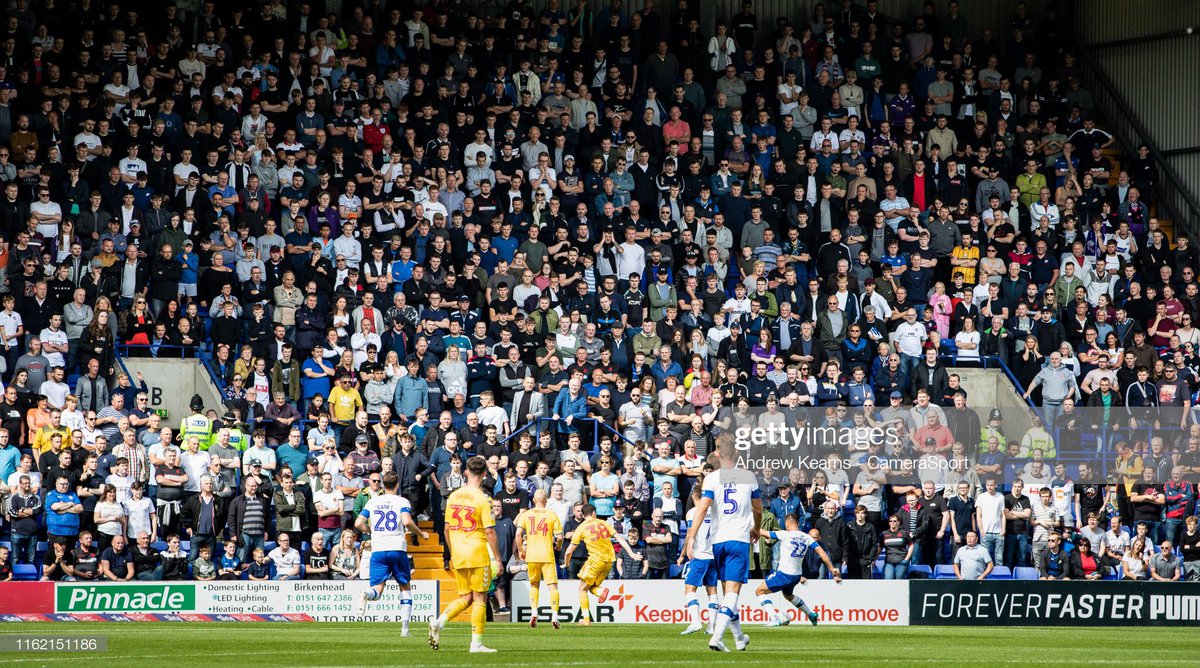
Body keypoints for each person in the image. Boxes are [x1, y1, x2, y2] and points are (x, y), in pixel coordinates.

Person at [683, 439, 761, 652]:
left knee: (727, 593)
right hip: (738, 539)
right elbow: (757, 509)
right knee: (733, 592)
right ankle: (717, 637)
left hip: (718, 542)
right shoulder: (748, 476)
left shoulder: (711, 478)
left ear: (717, 454)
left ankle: (739, 638)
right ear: (737, 452)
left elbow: (702, 508)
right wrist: (756, 528)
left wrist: (691, 537)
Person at [429, 455, 503, 653]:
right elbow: (489, 531)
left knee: (465, 597)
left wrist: (453, 552)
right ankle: (476, 643)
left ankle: (439, 622)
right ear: (485, 474)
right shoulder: (484, 499)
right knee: (480, 598)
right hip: (477, 552)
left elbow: (446, 529)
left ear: (466, 472)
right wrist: (498, 559)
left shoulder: (453, 496)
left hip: (459, 552)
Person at [355, 470, 429, 634]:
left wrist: (371, 531)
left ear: (382, 484)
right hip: (397, 548)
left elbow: (358, 523)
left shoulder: (373, 501)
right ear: (397, 484)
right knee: (405, 587)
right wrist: (420, 533)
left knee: (377, 589)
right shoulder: (401, 501)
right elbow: (406, 521)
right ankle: (404, 629)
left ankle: (366, 593)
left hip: (378, 549)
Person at [562, 503, 641, 626]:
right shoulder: (604, 523)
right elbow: (620, 538)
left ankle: (587, 619)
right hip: (609, 562)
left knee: (582, 589)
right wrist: (632, 554)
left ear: (583, 515)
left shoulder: (581, 528)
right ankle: (600, 592)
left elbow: (568, 552)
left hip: (595, 561)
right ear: (594, 513)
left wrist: (566, 564)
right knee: (591, 587)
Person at [756, 513, 839, 627]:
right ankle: (811, 614)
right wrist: (831, 568)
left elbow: (763, 532)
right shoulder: (807, 537)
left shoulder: (785, 534)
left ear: (787, 524)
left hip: (784, 574)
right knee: (788, 596)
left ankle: (774, 618)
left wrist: (749, 526)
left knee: (759, 591)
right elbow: (822, 552)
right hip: (797, 575)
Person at [515, 489, 565, 629]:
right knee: (552, 586)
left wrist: (521, 550)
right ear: (546, 500)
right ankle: (554, 616)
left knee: (534, 585)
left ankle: (534, 613)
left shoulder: (526, 514)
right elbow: (560, 536)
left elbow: (518, 534)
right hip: (547, 554)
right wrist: (559, 545)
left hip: (532, 555)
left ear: (534, 500)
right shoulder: (551, 514)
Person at [679, 485, 719, 636]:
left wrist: (682, 554)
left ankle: (695, 622)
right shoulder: (715, 512)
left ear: (693, 496)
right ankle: (712, 627)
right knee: (712, 591)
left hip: (699, 555)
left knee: (690, 589)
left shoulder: (692, 512)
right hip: (713, 556)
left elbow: (690, 534)